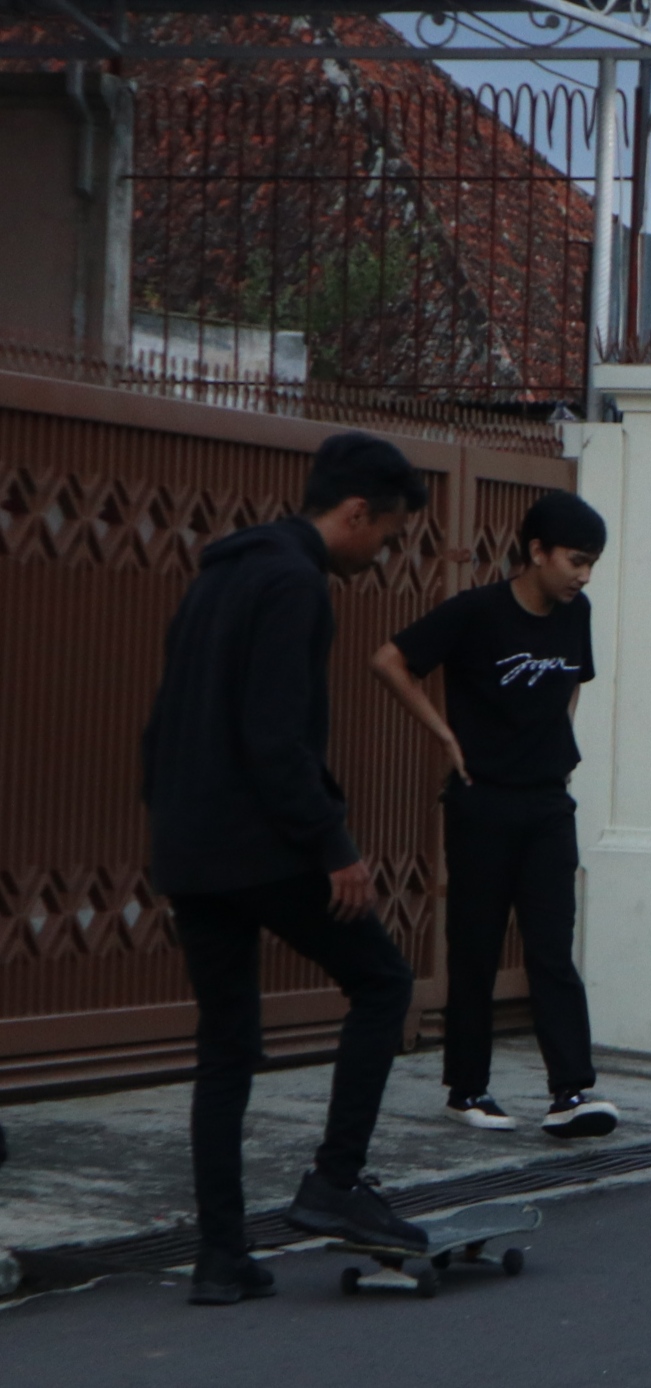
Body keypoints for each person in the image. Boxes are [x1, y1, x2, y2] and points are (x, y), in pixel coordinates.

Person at [143, 432, 431, 1306]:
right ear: (356, 512)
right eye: (386, 535)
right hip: (263, 843)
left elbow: (163, 722)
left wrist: (173, 827)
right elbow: (276, 738)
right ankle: (336, 1181)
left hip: (192, 847)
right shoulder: (296, 584)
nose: (382, 554)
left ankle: (220, 1258)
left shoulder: (219, 576)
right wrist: (333, 846)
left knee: (226, 1047)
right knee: (383, 983)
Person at [370, 493, 617, 1139]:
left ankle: (571, 1092)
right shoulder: (477, 612)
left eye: (591, 563)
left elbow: (572, 682)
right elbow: (390, 660)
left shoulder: (577, 613)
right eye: (575, 561)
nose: (584, 575)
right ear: (536, 551)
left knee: (551, 948)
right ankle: (467, 1089)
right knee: (476, 947)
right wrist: (443, 735)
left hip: (548, 802)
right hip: (482, 801)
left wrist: (558, 746)